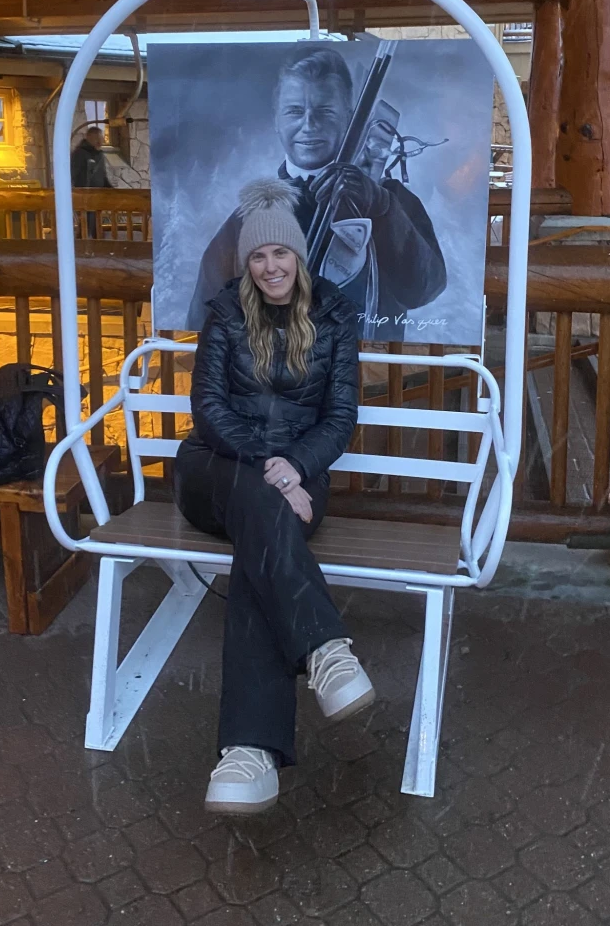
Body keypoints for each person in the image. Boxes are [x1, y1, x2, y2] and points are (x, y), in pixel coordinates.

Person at [175, 178, 374, 815]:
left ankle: (249, 755)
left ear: (299, 255)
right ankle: (323, 649)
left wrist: (299, 466)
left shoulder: (336, 315)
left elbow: (339, 416)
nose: (270, 267)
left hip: (297, 477)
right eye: (258, 256)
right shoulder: (226, 311)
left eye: (280, 254)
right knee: (264, 508)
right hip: (216, 471)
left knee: (258, 549)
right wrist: (271, 465)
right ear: (247, 262)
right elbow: (206, 407)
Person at [186, 49, 446, 337]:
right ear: (277, 120)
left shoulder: (388, 199)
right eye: (295, 111)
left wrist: (381, 207)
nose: (309, 125)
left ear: (349, 116)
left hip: (365, 373)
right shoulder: (248, 218)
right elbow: (205, 320)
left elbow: (424, 289)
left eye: (325, 111)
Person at [70, 125, 111, 237]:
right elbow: (72, 174)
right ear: (89, 138)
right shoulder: (79, 154)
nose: (100, 142)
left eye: (101, 139)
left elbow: (102, 176)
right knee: (86, 224)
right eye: (96, 139)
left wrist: (110, 190)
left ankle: (95, 244)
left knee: (93, 223)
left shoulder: (99, 155)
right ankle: (85, 247)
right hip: (84, 196)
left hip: (97, 196)